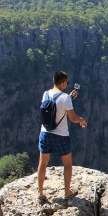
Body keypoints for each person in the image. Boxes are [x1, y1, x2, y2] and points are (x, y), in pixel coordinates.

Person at [37, 70, 87, 203]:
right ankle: (67, 192)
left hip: (45, 133)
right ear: (63, 82)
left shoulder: (46, 94)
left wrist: (69, 98)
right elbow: (73, 118)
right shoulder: (65, 98)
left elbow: (55, 105)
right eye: (67, 82)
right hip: (61, 135)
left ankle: (40, 193)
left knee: (43, 163)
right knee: (67, 164)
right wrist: (82, 120)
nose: (67, 84)